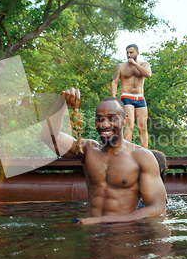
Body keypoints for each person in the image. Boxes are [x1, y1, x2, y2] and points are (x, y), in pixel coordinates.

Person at [41, 88, 167, 225]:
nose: (105, 125)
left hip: (123, 238)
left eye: (112, 119)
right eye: (99, 119)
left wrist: (100, 221)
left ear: (125, 120)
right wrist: (61, 104)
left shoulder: (141, 157)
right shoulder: (88, 150)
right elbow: (49, 138)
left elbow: (158, 209)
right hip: (91, 237)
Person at [111, 44, 152, 149]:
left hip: (140, 97)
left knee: (143, 126)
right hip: (126, 96)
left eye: (131, 53)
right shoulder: (121, 66)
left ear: (137, 53)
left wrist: (135, 64)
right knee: (129, 125)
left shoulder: (144, 64)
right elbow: (115, 82)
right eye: (127, 53)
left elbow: (148, 74)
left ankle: (145, 152)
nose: (129, 55)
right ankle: (126, 151)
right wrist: (113, 96)